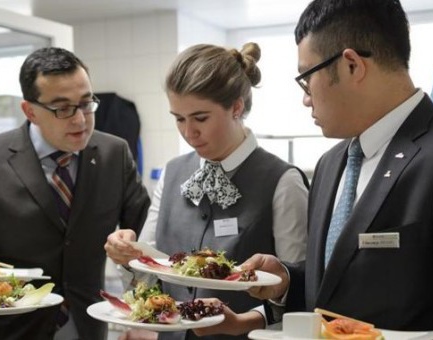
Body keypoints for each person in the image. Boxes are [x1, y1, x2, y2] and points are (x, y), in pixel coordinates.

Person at [240, 0, 433, 339]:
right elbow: (341, 286)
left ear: (351, 65)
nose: (306, 98)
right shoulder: (330, 165)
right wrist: (288, 280)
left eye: (307, 78)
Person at [0, 47, 151, 340]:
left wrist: (146, 316)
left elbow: (149, 237)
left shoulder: (115, 153)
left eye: (86, 104)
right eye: (62, 108)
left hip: (85, 327)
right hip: (7, 331)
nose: (80, 120)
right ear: (30, 111)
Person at [104, 42, 309, 340]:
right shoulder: (172, 173)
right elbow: (149, 273)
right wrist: (128, 255)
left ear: (236, 107)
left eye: (200, 118)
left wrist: (243, 322)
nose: (189, 133)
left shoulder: (283, 181)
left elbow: (297, 294)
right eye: (178, 119)